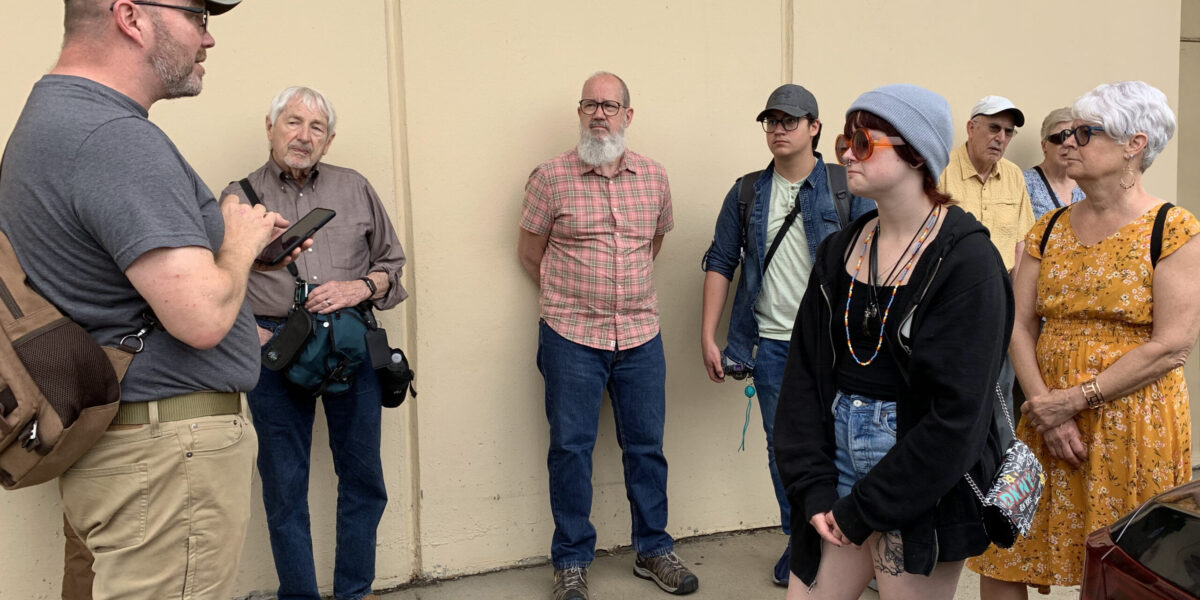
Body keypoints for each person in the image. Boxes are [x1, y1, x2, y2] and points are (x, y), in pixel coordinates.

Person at [0, 1, 305, 599]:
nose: (209, 39)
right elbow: (200, 318)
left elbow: (102, 275)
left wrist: (232, 252)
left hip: (124, 452)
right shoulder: (113, 138)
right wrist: (238, 243)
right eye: (197, 15)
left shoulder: (53, 117)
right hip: (166, 460)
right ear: (131, 17)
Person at [774, 84, 1013, 600]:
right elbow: (804, 375)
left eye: (862, 141)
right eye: (845, 140)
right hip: (836, 459)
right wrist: (813, 488)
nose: (844, 154)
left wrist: (865, 509)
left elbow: (958, 417)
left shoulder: (969, 264)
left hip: (921, 475)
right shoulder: (841, 249)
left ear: (914, 152)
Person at [969, 81, 1200, 599]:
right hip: (1045, 419)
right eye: (1066, 133)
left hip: (1132, 424)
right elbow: (1017, 324)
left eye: (1084, 132)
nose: (1067, 141)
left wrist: (1072, 401)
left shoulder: (1173, 228)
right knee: (1003, 556)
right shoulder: (1046, 230)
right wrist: (1045, 408)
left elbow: (1172, 344)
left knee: (1126, 567)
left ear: (1133, 145)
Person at [518, 71, 699, 600]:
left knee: (646, 447)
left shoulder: (655, 177)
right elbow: (531, 253)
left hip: (641, 335)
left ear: (628, 115)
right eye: (590, 105)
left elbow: (653, 246)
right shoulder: (549, 178)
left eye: (610, 105)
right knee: (570, 448)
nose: (600, 114)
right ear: (579, 113)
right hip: (570, 335)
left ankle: (653, 550)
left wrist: (622, 297)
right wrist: (572, 300)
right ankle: (571, 560)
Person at [223, 86, 408, 600]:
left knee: (363, 481)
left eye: (316, 128)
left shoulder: (355, 187)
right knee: (284, 489)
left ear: (328, 140)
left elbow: (392, 267)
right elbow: (219, 279)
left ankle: (354, 592)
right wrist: (252, 331)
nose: (303, 136)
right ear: (270, 126)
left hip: (352, 344)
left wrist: (361, 287)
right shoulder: (238, 198)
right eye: (293, 122)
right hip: (276, 352)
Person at [699, 83, 872, 587]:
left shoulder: (847, 186)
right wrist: (709, 336)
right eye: (771, 121)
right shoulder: (748, 190)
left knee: (849, 445)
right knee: (788, 451)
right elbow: (721, 261)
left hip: (840, 345)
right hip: (773, 345)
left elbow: (876, 262)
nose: (778, 129)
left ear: (814, 128)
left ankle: (854, 541)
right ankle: (803, 539)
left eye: (789, 121)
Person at [938, 95, 1034, 270]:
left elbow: (1021, 243)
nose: (1001, 138)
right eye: (994, 128)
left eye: (1008, 131)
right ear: (971, 128)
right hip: (953, 284)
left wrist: (1015, 296)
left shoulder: (1014, 174)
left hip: (1000, 284)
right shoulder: (941, 169)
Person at [1024, 108, 1085, 218]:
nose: (1068, 144)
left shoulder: (1087, 183)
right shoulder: (1024, 183)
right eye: (1060, 138)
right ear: (1044, 146)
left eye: (1075, 138)